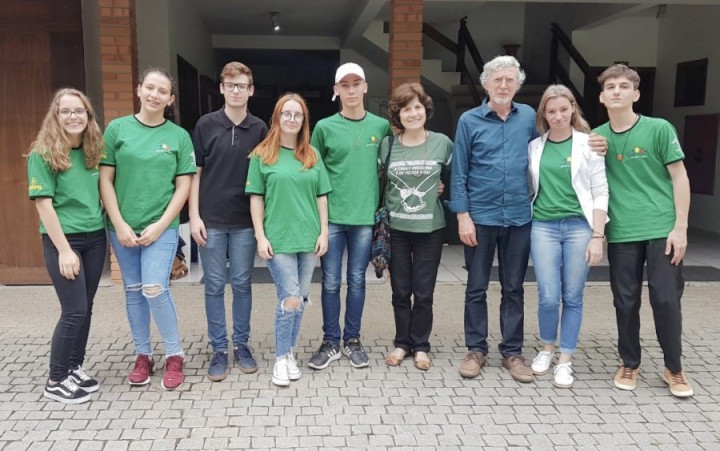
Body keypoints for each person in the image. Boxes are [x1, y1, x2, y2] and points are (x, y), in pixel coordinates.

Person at [450, 56, 608, 383]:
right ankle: (476, 350)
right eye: (498, 80)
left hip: (521, 218)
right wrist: (463, 216)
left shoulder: (528, 120)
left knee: (513, 288)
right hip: (480, 217)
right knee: (476, 287)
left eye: (510, 80)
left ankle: (512, 352)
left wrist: (597, 139)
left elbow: (563, 133)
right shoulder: (469, 120)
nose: (504, 85)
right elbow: (459, 172)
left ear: (518, 85)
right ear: (486, 84)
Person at [594, 64, 693, 398]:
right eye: (610, 87)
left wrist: (680, 227)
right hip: (622, 231)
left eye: (624, 86)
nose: (617, 91)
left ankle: (674, 368)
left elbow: (680, 177)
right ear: (602, 96)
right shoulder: (597, 138)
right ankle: (629, 362)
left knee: (665, 299)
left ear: (636, 94)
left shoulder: (659, 129)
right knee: (625, 301)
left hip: (662, 229)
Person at [99, 67, 196, 391]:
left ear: (170, 99)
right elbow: (105, 180)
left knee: (155, 288)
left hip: (162, 227)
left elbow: (183, 186)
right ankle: (143, 354)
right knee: (133, 290)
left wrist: (160, 225)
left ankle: (174, 354)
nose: (155, 95)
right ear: (139, 90)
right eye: (149, 88)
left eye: (162, 91)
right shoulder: (117, 130)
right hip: (122, 227)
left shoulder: (179, 136)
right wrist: (120, 223)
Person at [308, 62, 391, 370]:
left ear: (366, 87)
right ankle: (331, 341)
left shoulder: (380, 127)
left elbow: (393, 166)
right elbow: (313, 172)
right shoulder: (324, 127)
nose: (352, 89)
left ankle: (352, 340)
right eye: (345, 85)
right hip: (331, 217)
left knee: (357, 280)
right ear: (336, 90)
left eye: (357, 83)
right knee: (330, 281)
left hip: (364, 217)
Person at [190, 61, 268, 381]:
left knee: (241, 284)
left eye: (242, 86)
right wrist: (193, 216)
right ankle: (219, 349)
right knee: (213, 286)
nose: (236, 91)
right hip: (211, 219)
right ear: (221, 88)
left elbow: (265, 179)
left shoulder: (260, 128)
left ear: (251, 90)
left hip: (245, 222)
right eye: (230, 85)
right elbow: (194, 174)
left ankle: (242, 345)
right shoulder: (205, 125)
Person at [27, 88, 106, 404]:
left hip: (95, 237)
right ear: (55, 116)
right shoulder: (42, 154)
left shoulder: (92, 150)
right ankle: (56, 378)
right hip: (64, 241)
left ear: (88, 116)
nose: (73, 117)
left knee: (85, 308)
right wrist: (64, 250)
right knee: (73, 310)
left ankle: (74, 366)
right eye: (66, 111)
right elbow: (44, 205)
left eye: (80, 111)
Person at [246, 93, 331, 386]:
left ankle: (290, 352)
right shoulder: (262, 155)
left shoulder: (312, 155)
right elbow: (256, 199)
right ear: (277, 117)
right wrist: (260, 236)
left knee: (302, 298)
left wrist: (323, 232)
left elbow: (321, 197)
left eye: (297, 115)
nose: (292, 119)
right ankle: (281, 359)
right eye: (286, 114)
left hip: (308, 238)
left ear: (304, 120)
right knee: (290, 298)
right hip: (278, 239)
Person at [527, 85, 608, 388]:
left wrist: (597, 235)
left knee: (572, 295)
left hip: (579, 227)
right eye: (551, 111)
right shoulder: (535, 146)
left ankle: (566, 359)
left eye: (563, 109)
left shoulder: (590, 144)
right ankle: (547, 348)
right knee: (548, 294)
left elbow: (601, 192)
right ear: (544, 115)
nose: (558, 116)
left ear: (573, 109)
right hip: (543, 225)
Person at [380, 83, 452, 371]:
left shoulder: (442, 143)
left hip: (430, 230)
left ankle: (421, 346)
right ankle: (402, 343)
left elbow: (452, 177)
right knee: (400, 290)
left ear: (426, 110)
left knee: (423, 292)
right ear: (398, 114)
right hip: (396, 228)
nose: (413, 113)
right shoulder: (388, 145)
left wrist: (444, 190)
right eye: (406, 108)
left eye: (418, 107)